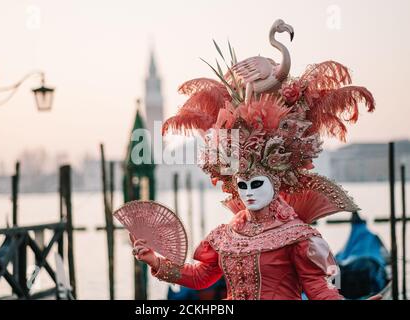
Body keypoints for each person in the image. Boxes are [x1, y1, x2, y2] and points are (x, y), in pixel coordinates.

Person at [130, 19, 379, 300]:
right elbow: (201, 276)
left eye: (256, 183)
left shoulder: (296, 235)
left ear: (275, 180)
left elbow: (319, 289)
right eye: (242, 184)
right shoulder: (227, 234)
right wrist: (155, 261)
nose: (247, 192)